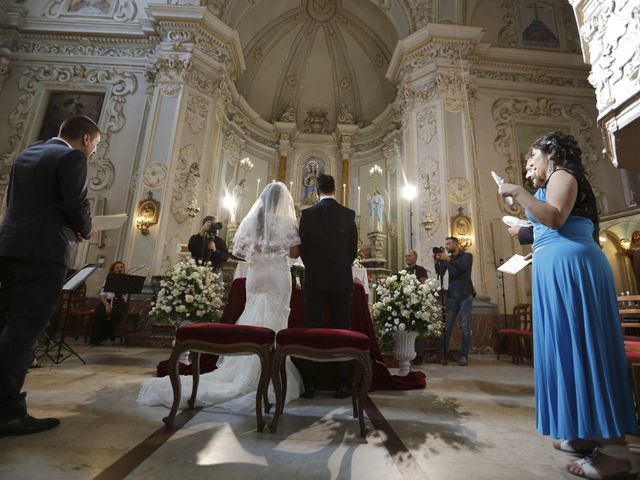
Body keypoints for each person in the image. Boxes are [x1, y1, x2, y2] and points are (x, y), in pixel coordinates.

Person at [498, 131, 638, 479]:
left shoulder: (563, 174)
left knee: (586, 350)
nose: (528, 164)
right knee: (567, 351)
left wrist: (518, 192)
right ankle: (584, 433)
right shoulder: (551, 183)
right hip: (557, 271)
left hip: (574, 272)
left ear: (552, 154)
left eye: (533, 156)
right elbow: (553, 225)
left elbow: (556, 218)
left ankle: (614, 451)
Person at [138, 182, 303, 410]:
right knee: (276, 319)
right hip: (277, 274)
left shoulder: (256, 219)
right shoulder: (286, 222)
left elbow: (243, 248)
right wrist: (280, 249)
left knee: (252, 314)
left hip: (257, 274)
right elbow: (294, 253)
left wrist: (261, 251)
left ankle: (243, 369)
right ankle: (270, 370)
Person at [0, 114, 97, 437]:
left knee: (6, 325)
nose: (94, 151)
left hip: (9, 248)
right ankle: (8, 411)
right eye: (95, 145)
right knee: (24, 331)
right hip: (43, 253)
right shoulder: (72, 157)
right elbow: (75, 201)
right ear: (85, 139)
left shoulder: (27, 154)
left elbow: (12, 203)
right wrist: (85, 227)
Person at [299, 173, 358, 399]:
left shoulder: (308, 214)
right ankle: (343, 384)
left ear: (316, 191)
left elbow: (302, 249)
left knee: (311, 330)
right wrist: (341, 266)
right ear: (335, 190)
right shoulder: (348, 214)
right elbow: (352, 250)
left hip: (314, 279)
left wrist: (314, 267)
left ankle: (309, 384)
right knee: (342, 330)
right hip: (342, 279)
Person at [434, 237, 474, 366]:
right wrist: (436, 262)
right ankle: (441, 354)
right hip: (452, 295)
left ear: (456, 244)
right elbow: (440, 273)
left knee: (464, 326)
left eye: (449, 244)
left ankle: (464, 356)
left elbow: (462, 268)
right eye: (445, 244)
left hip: (465, 295)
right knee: (447, 326)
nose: (446, 246)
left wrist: (448, 259)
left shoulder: (467, 256)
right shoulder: (447, 259)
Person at [89, 261, 127, 346]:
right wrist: (107, 305)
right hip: (107, 301)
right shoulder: (109, 279)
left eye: (121, 267)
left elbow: (125, 296)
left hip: (119, 303)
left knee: (115, 315)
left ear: (124, 269)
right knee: (100, 313)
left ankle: (109, 336)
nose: (119, 269)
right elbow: (102, 294)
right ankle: (96, 340)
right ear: (113, 270)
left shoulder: (126, 280)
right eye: (117, 268)